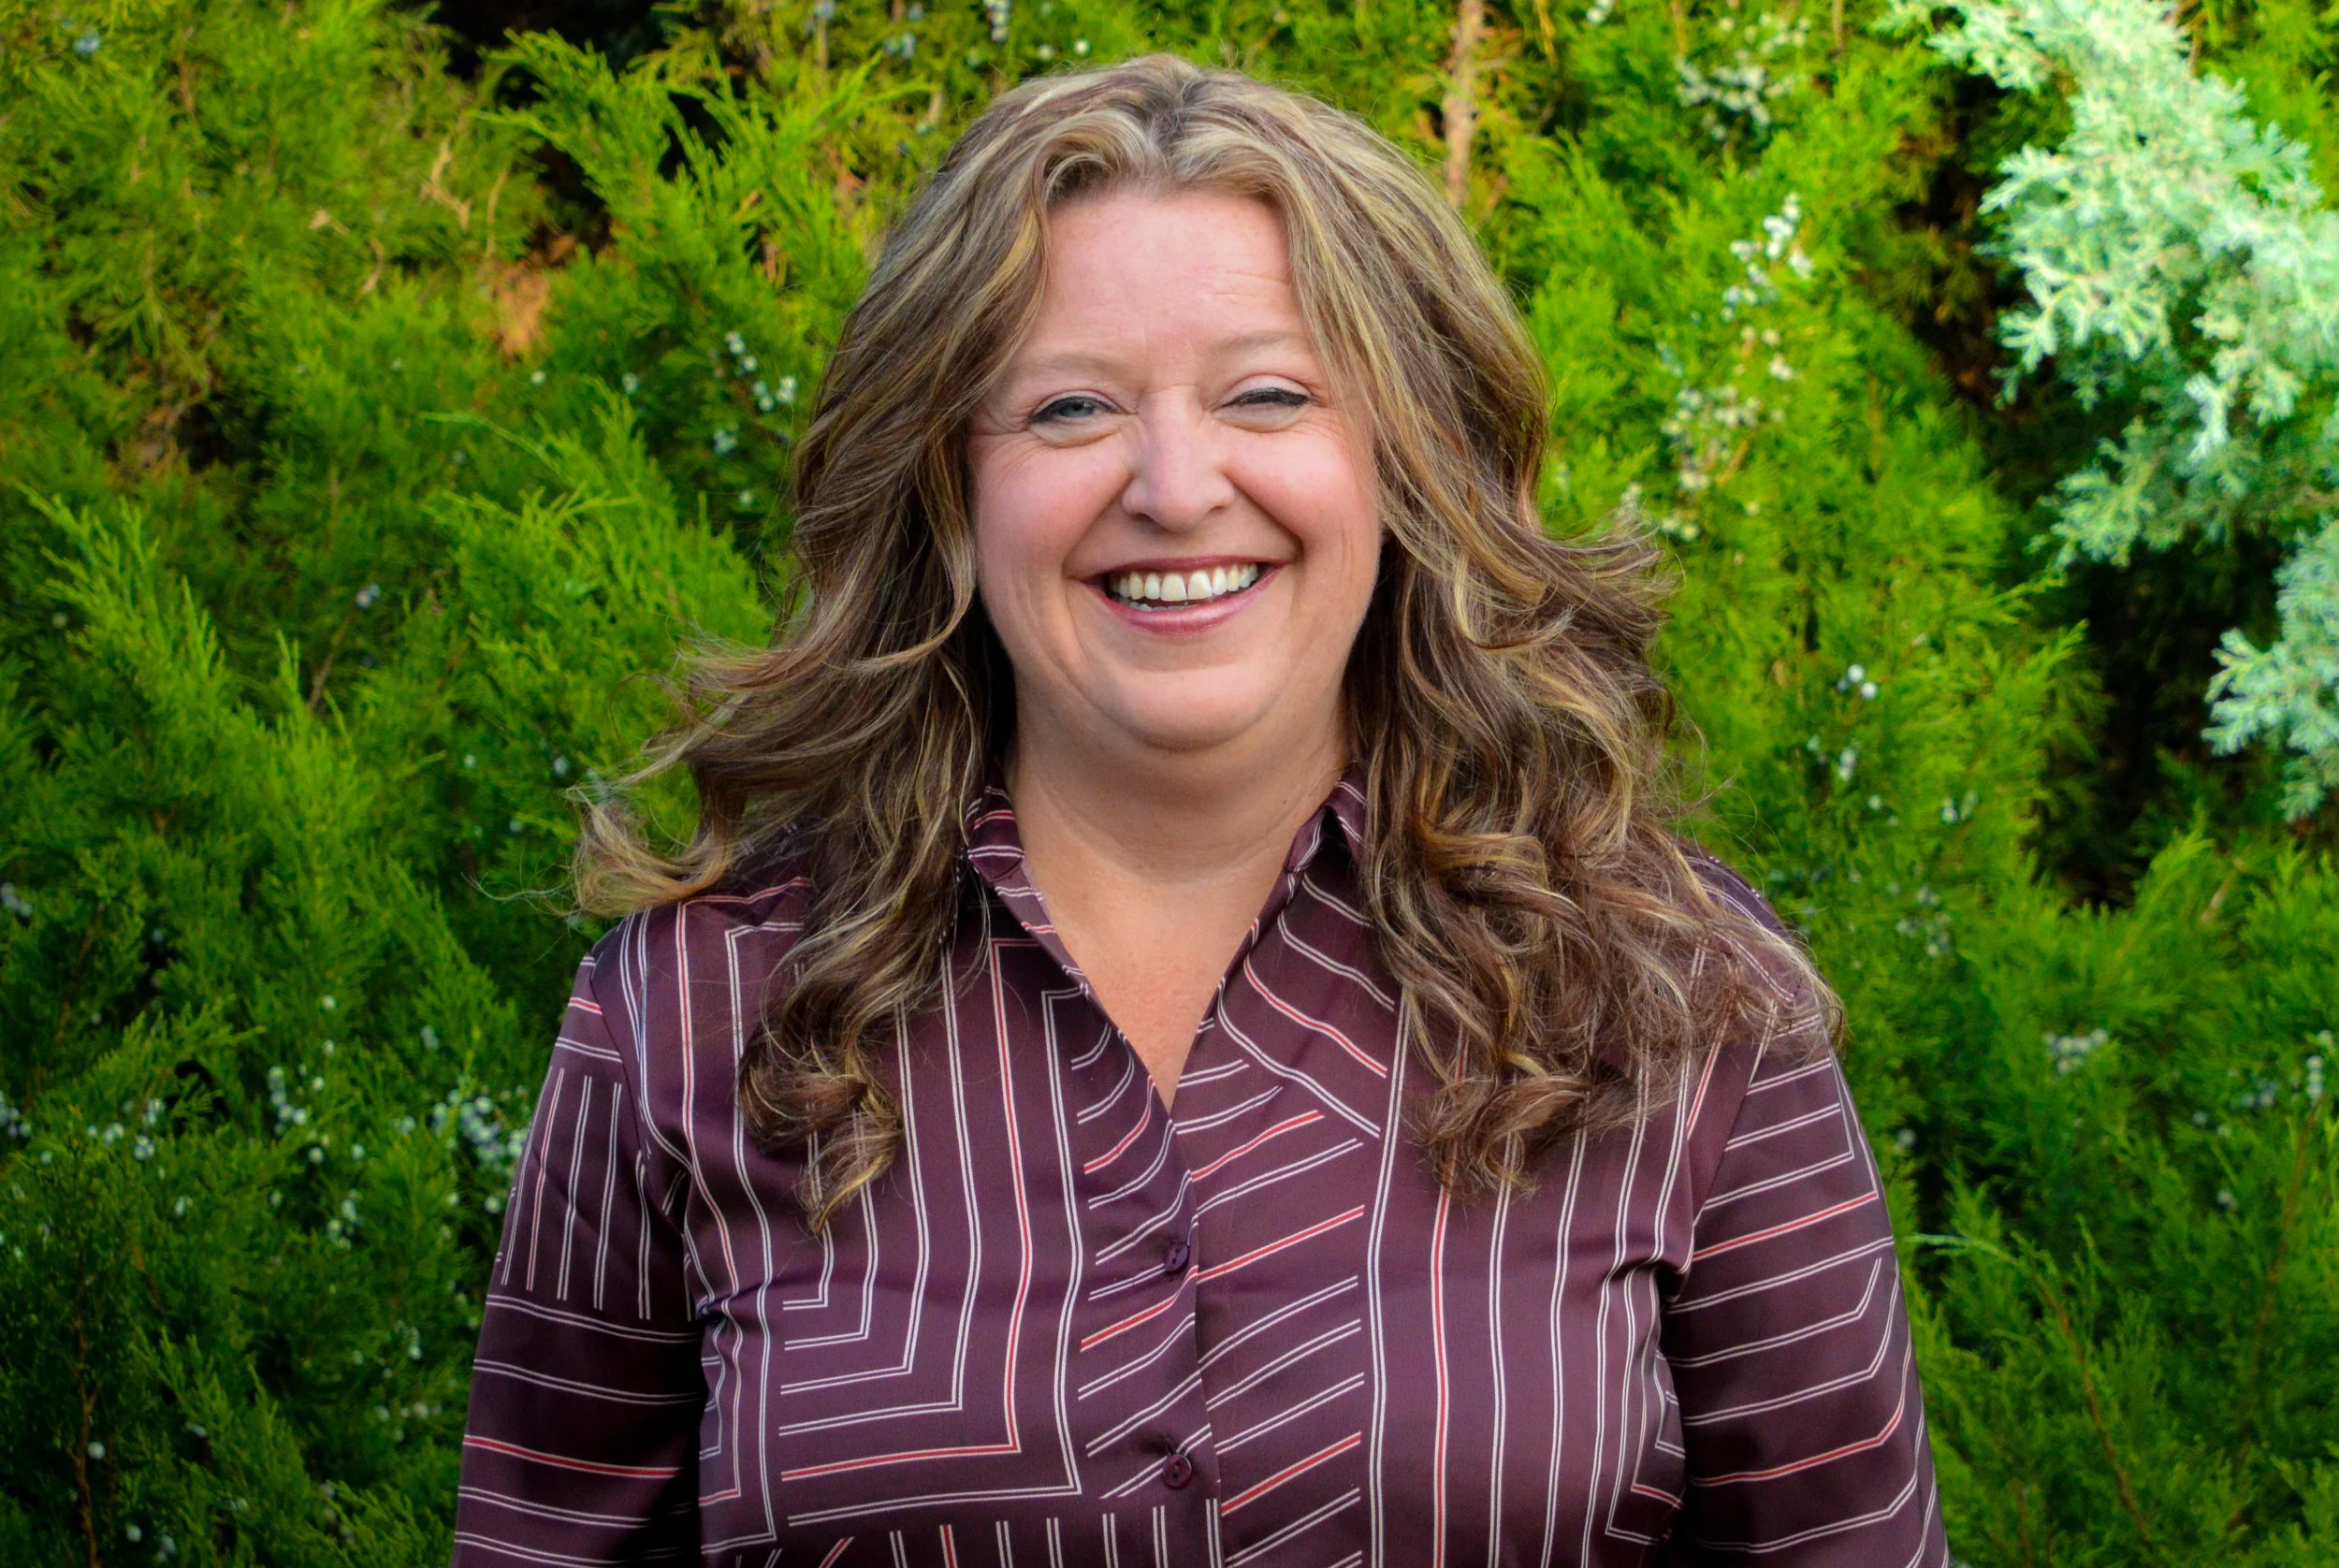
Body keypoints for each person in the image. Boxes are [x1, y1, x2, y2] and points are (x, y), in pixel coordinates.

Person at [449, 53, 1947, 1567]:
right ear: (946, 481)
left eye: (1269, 394)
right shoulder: (694, 1014)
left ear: (1409, 453)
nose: (1174, 487)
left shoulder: (1681, 1000)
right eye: (1070, 407)